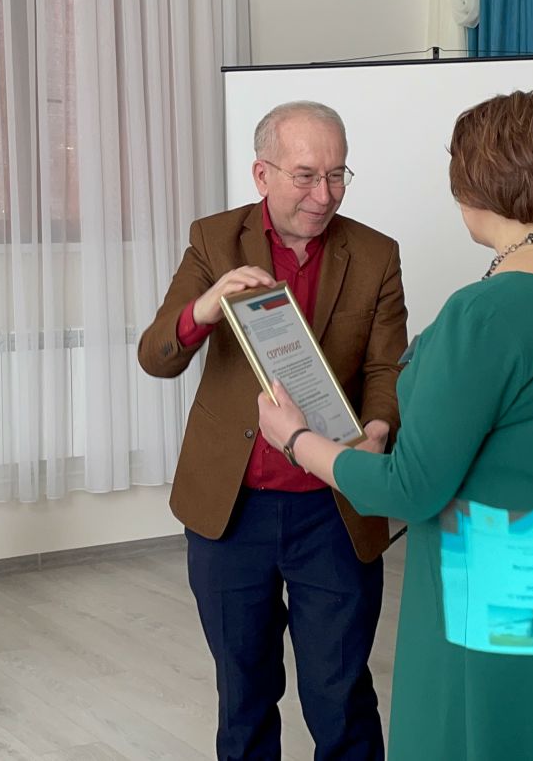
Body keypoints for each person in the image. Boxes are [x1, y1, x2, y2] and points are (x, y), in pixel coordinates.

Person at [257, 91, 533, 760]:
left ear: (482, 181)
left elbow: (409, 489)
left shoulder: (483, 315)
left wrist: (298, 441)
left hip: (506, 604)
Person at [138, 100, 408, 759]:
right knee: (244, 693)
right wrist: (206, 307)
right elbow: (156, 355)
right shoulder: (214, 240)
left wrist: (377, 429)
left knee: (339, 694)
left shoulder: (375, 254)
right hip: (232, 511)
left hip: (333, 509)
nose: (325, 195)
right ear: (262, 174)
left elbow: (386, 368)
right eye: (306, 176)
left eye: (338, 175)